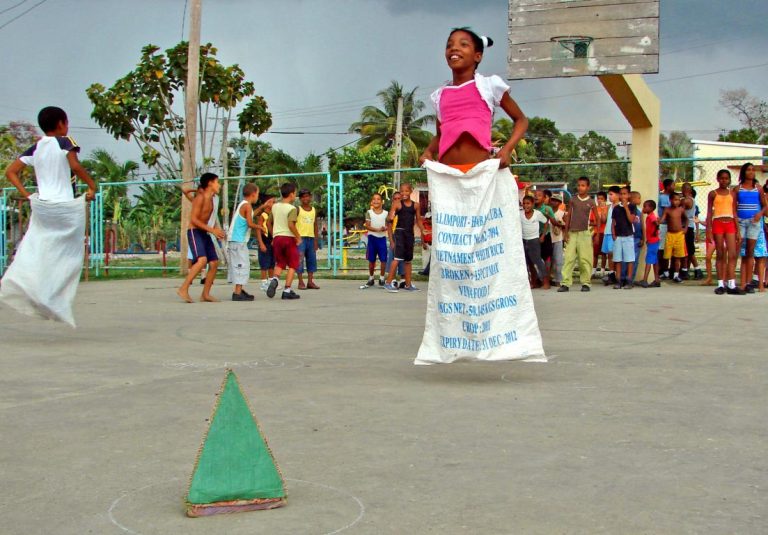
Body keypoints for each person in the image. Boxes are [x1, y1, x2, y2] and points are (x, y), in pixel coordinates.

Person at [1, 106, 97, 326]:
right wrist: (92, 185)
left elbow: (10, 171)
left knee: (36, 249)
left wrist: (28, 195)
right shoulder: (65, 142)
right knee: (69, 256)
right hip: (64, 207)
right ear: (62, 124)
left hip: (42, 207)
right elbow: (75, 165)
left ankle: (23, 285)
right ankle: (54, 299)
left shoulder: (36, 147)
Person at [177, 172, 226, 303]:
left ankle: (205, 294)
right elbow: (193, 219)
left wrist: (215, 231)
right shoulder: (200, 197)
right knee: (202, 260)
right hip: (194, 231)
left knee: (214, 262)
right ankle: (183, 288)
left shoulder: (211, 199)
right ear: (210, 183)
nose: (219, 185)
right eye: (217, 182)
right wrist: (213, 230)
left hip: (204, 232)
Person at [227, 184, 272, 301]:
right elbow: (250, 223)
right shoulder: (247, 206)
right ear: (253, 194)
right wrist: (260, 227)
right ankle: (237, 293)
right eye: (257, 194)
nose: (257, 196)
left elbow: (251, 215)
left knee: (242, 265)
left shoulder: (244, 205)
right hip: (238, 241)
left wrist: (263, 206)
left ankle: (239, 289)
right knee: (241, 266)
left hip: (237, 241)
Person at [559, 176, 597, 292]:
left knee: (585, 259)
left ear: (588, 187)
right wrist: (565, 232)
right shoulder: (573, 200)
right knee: (569, 258)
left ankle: (586, 283)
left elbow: (598, 218)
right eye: (579, 185)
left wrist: (597, 235)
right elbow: (569, 216)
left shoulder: (591, 202)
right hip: (572, 232)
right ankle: (565, 283)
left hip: (585, 233)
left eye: (583, 185)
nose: (580, 188)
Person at [384, 183, 425, 292]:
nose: (404, 193)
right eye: (402, 191)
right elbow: (390, 217)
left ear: (411, 191)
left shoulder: (416, 205)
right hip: (399, 233)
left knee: (408, 261)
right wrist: (390, 217)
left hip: (409, 234)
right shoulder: (397, 204)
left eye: (406, 191)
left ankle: (408, 284)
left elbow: (419, 220)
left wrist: (422, 229)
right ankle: (388, 283)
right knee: (397, 258)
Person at [734, 163, 767, 294]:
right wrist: (736, 224)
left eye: (753, 170)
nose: (751, 172)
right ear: (744, 172)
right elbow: (734, 208)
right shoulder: (737, 189)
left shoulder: (758, 188)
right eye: (748, 170)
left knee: (750, 252)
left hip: (754, 222)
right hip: (741, 222)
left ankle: (748, 282)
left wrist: (759, 213)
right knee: (743, 253)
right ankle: (743, 283)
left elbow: (765, 206)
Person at [265, 183, 302, 300]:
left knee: (280, 263)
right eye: (295, 193)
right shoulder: (292, 209)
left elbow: (268, 223)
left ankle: (275, 279)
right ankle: (287, 290)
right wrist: (298, 237)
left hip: (277, 238)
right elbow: (291, 224)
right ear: (291, 195)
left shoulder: (275, 207)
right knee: (293, 264)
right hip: (288, 238)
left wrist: (274, 235)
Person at [706, 169, 740, 295]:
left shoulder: (732, 193)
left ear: (729, 180)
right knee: (720, 254)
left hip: (730, 223)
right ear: (718, 179)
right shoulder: (713, 194)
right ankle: (721, 283)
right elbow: (709, 212)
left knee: (732, 254)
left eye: (726, 178)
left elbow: (734, 212)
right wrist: (708, 230)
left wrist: (738, 230)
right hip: (718, 223)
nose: (724, 180)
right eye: (722, 178)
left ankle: (731, 283)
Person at [521, 195, 550, 289]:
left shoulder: (537, 214)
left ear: (533, 204)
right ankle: (533, 282)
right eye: (524, 203)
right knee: (528, 263)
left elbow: (546, 223)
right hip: (524, 240)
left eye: (528, 203)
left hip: (534, 240)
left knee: (538, 261)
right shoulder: (520, 214)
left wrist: (542, 235)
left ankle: (546, 282)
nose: (526, 205)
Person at [660, 192, 688, 284]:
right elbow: (662, 219)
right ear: (670, 200)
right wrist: (658, 221)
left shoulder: (681, 209)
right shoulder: (667, 210)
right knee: (666, 255)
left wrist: (685, 228)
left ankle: (676, 275)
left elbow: (686, 219)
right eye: (675, 200)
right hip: (670, 234)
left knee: (677, 256)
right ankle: (666, 273)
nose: (676, 202)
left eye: (678, 200)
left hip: (679, 235)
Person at [362, 192, 389, 288]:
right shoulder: (369, 212)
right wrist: (377, 229)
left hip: (382, 239)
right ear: (371, 202)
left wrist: (385, 228)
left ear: (382, 202)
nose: (376, 201)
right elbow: (368, 226)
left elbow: (387, 225)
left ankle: (382, 278)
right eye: (374, 199)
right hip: (372, 239)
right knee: (371, 260)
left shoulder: (386, 213)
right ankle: (371, 278)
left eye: (378, 199)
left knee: (383, 259)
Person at [611, 187, 636, 289]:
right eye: (621, 194)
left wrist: (626, 208)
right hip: (618, 237)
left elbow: (631, 220)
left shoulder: (632, 206)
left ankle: (629, 280)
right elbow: (613, 223)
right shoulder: (616, 208)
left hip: (628, 236)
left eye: (625, 194)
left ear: (629, 195)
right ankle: (618, 280)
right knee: (617, 259)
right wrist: (613, 234)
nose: (623, 196)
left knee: (629, 259)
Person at [295, 188, 320, 290]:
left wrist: (316, 240)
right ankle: (300, 282)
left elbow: (315, 225)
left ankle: (310, 281)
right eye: (303, 197)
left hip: (310, 238)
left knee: (311, 260)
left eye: (307, 196)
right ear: (300, 199)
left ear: (310, 197)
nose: (306, 198)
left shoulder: (313, 210)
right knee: (299, 260)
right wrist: (296, 237)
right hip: (300, 238)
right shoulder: (298, 209)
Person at [680, 183, 702, 280]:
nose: (681, 191)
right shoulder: (687, 200)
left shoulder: (688, 200)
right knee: (685, 250)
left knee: (690, 251)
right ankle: (684, 270)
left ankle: (697, 270)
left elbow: (681, 208)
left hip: (688, 227)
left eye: (683, 189)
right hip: (685, 227)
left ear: (687, 190)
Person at [600, 185, 621, 285]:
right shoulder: (608, 207)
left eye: (611, 194)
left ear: (618, 195)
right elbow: (603, 220)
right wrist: (603, 211)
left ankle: (617, 275)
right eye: (609, 195)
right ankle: (612, 273)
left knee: (614, 254)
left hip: (614, 233)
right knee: (609, 254)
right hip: (607, 232)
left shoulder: (620, 206)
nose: (609, 197)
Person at [385, 191, 406, 287]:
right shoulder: (391, 213)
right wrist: (391, 241)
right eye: (395, 199)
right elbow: (389, 229)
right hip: (394, 236)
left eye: (399, 198)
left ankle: (403, 279)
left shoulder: (404, 211)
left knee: (403, 258)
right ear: (392, 200)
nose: (397, 200)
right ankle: (392, 279)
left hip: (404, 236)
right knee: (393, 257)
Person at [639, 200, 661, 288]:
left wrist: (653, 234)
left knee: (648, 260)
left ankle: (645, 280)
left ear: (651, 208)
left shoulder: (651, 217)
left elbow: (656, 224)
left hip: (653, 241)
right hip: (653, 241)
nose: (643, 208)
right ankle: (656, 279)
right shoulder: (650, 216)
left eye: (645, 206)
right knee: (655, 261)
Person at [256, 196, 275, 291]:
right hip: (264, 241)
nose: (274, 203)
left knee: (272, 262)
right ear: (266, 203)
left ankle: (271, 282)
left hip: (272, 241)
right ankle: (264, 282)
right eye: (271, 201)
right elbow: (258, 230)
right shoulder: (263, 215)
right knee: (264, 263)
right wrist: (261, 243)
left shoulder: (273, 215)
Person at [657, 178, 675, 278]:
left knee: (668, 247)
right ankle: (662, 269)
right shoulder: (664, 197)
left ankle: (666, 269)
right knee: (662, 248)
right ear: (668, 187)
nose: (674, 186)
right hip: (663, 225)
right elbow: (666, 212)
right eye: (673, 185)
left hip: (669, 225)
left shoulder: (670, 197)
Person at [549, 193, 566, 286]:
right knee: (549, 260)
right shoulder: (547, 211)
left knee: (558, 260)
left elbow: (566, 226)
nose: (554, 202)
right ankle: (549, 278)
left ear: (559, 202)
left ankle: (558, 279)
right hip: (548, 238)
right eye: (552, 200)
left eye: (556, 201)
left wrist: (560, 224)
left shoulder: (562, 213)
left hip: (558, 238)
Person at [591, 191, 608, 277]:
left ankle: (602, 270)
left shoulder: (607, 208)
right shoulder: (594, 209)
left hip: (604, 233)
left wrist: (602, 211)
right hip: (596, 232)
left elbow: (604, 221)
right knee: (595, 253)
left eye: (602, 199)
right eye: (598, 198)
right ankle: (593, 270)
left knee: (604, 253)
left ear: (605, 199)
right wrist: (595, 223)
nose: (599, 200)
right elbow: (591, 221)